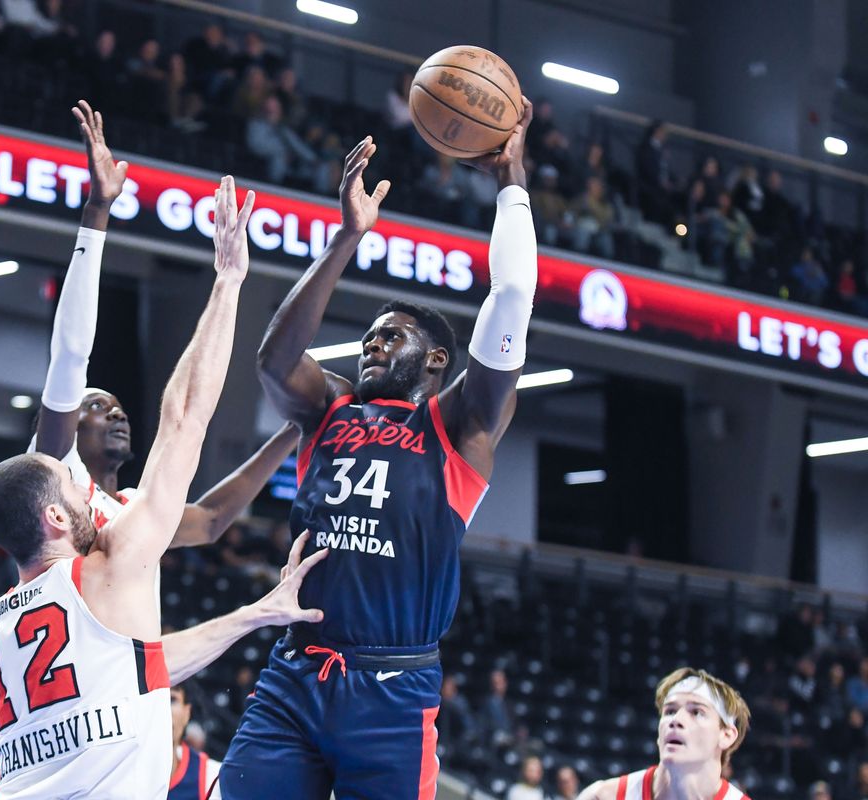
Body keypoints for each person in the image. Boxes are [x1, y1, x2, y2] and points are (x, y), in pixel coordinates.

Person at [0, 174, 327, 799]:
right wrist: (228, 281)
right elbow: (182, 416)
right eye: (69, 483)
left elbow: (144, 666)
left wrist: (258, 613)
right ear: (56, 511)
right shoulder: (108, 557)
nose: (82, 492)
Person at [221, 99, 538, 799]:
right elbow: (275, 359)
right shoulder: (329, 409)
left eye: (392, 337)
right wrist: (345, 240)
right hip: (296, 675)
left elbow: (513, 294)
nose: (372, 345)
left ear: (435, 363)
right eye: (368, 337)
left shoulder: (460, 428)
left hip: (393, 688)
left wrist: (512, 184)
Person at [28, 100, 298, 544]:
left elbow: (212, 518)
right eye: (95, 405)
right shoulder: (54, 474)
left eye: (115, 406)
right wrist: (98, 209)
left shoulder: (136, 511)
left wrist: (294, 428)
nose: (116, 412)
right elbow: (72, 354)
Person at [578, 667, 751, 800]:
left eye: (697, 712)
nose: (676, 719)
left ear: (726, 735)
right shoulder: (603, 797)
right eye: (670, 711)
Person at [168, 683, 221, 799]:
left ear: (187, 712)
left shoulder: (212, 778)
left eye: (171, 699)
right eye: (153, 700)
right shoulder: (120, 776)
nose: (162, 709)